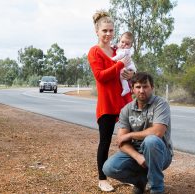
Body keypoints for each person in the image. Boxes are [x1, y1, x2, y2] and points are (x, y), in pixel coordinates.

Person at [102, 72, 173, 194]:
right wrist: (137, 157)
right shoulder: (126, 110)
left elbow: (157, 132)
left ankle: (157, 189)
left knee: (151, 141)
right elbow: (121, 141)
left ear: (152, 88)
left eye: (145, 86)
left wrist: (130, 135)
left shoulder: (161, 104)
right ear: (132, 89)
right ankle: (141, 182)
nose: (142, 90)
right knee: (109, 168)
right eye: (138, 87)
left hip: (160, 153)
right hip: (136, 153)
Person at [87, 10, 134, 192]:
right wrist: (121, 64)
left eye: (111, 30)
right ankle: (102, 178)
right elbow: (101, 77)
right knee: (105, 141)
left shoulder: (117, 50)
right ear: (97, 31)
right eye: (104, 30)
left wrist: (132, 73)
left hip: (123, 101)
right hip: (107, 103)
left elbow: (129, 70)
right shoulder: (94, 52)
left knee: (128, 140)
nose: (108, 34)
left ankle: (129, 175)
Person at [111, 32, 137, 96]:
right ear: (119, 40)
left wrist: (112, 59)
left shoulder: (125, 51)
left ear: (130, 46)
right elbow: (116, 46)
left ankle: (126, 88)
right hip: (126, 65)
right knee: (124, 76)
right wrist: (112, 46)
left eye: (127, 44)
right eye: (122, 42)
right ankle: (130, 88)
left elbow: (119, 56)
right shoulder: (120, 47)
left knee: (122, 75)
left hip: (129, 66)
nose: (124, 44)